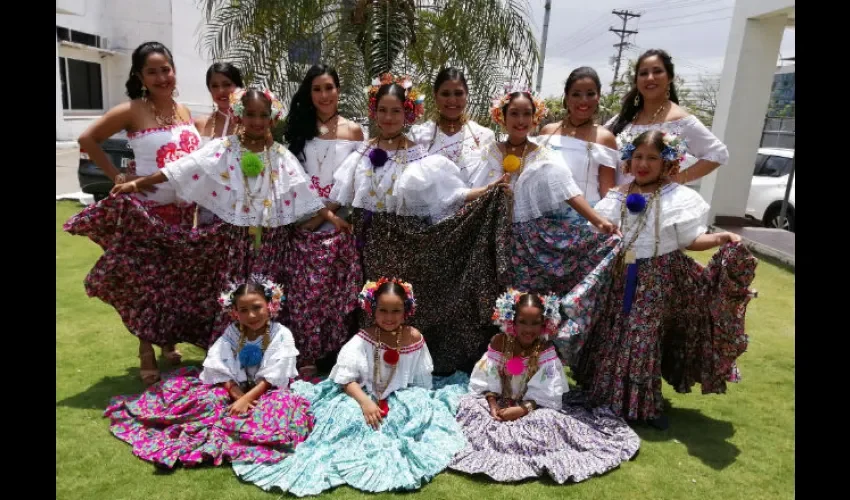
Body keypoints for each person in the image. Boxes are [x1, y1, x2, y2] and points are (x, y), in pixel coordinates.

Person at [569, 130, 758, 430]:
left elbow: (689, 240)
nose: (644, 164)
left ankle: (641, 405)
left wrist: (721, 237)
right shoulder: (617, 195)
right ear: (629, 160)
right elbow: (601, 234)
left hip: (658, 279)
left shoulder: (677, 197)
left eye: (653, 158)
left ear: (668, 162)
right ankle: (604, 395)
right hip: (619, 277)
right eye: (639, 157)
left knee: (642, 339)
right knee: (614, 333)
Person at [331, 73, 513, 373]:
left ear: (408, 114)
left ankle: (406, 364)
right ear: (374, 112)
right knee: (372, 299)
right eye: (383, 110)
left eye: (396, 111)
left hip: (406, 240)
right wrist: (321, 216)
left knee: (400, 301)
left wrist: (489, 191)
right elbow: (340, 197)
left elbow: (450, 195)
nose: (388, 117)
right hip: (368, 240)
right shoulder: (361, 152)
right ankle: (371, 365)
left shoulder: (418, 154)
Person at [231, 279, 469, 496]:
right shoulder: (363, 339)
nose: (389, 317)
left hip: (400, 396)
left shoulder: (414, 337)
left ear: (406, 311)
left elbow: (421, 381)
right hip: (357, 392)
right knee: (350, 419)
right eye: (383, 311)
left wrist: (411, 401)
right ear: (372, 310)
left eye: (396, 311)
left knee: (417, 413)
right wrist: (365, 402)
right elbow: (345, 378)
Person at [64, 41, 204, 385]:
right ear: (140, 77)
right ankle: (145, 350)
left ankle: (168, 341)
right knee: (148, 284)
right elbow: (87, 139)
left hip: (186, 214)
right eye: (152, 71)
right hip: (149, 212)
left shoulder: (184, 111)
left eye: (166, 69)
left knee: (174, 282)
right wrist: (119, 178)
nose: (161, 77)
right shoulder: (132, 110)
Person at [104, 276, 315, 468]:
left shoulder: (281, 334)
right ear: (235, 312)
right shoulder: (233, 332)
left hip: (268, 391)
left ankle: (237, 431)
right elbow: (218, 367)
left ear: (270, 306)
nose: (251, 315)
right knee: (206, 400)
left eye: (257, 307)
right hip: (236, 390)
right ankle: (229, 428)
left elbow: (274, 376)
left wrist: (246, 400)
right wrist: (238, 396)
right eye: (243, 310)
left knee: (281, 408)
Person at [450, 289, 640, 483]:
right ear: (512, 321)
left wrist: (522, 409)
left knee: (548, 420)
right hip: (499, 402)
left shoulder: (546, 350)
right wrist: (493, 406)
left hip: (533, 408)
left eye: (535, 323)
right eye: (523, 322)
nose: (528, 329)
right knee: (469, 407)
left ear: (544, 324)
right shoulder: (499, 342)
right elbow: (486, 378)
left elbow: (547, 395)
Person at [475, 85, 622, 296]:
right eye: (514, 113)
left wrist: (599, 221)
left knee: (523, 300)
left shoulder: (544, 155)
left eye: (527, 114)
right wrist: (490, 190)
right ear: (502, 116)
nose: (521, 120)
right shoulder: (490, 151)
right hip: (489, 235)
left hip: (527, 242)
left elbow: (567, 190)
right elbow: (473, 192)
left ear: (535, 118)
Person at [280, 64, 366, 377]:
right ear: (309, 93)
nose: (324, 95)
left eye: (329, 87)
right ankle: (305, 356)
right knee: (305, 293)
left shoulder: (355, 131)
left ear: (338, 90)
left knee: (338, 294)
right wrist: (316, 216)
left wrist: (327, 215)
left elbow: (355, 180)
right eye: (317, 89)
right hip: (302, 226)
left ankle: (336, 357)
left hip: (340, 226)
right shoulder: (300, 128)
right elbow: (295, 179)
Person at [606, 49, 729, 186]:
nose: (650, 78)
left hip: (659, 203)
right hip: (618, 201)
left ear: (670, 77)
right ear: (637, 80)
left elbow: (718, 153)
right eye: (643, 73)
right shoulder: (624, 118)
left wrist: (675, 180)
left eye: (657, 71)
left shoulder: (680, 121)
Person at [537, 66, 619, 217]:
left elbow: (607, 191)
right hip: (543, 218)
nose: (583, 101)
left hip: (585, 224)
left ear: (598, 97)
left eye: (590, 94)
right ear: (567, 97)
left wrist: (608, 223)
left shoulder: (605, 138)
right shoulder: (548, 132)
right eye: (576, 94)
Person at [409, 67, 496, 185]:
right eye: (445, 94)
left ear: (466, 95)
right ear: (435, 96)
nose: (452, 100)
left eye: (458, 93)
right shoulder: (419, 136)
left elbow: (491, 181)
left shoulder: (484, 136)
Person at [194, 62, 244, 143]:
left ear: (238, 86)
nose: (220, 91)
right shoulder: (199, 124)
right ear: (209, 89)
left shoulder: (251, 125)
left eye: (227, 85)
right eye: (215, 86)